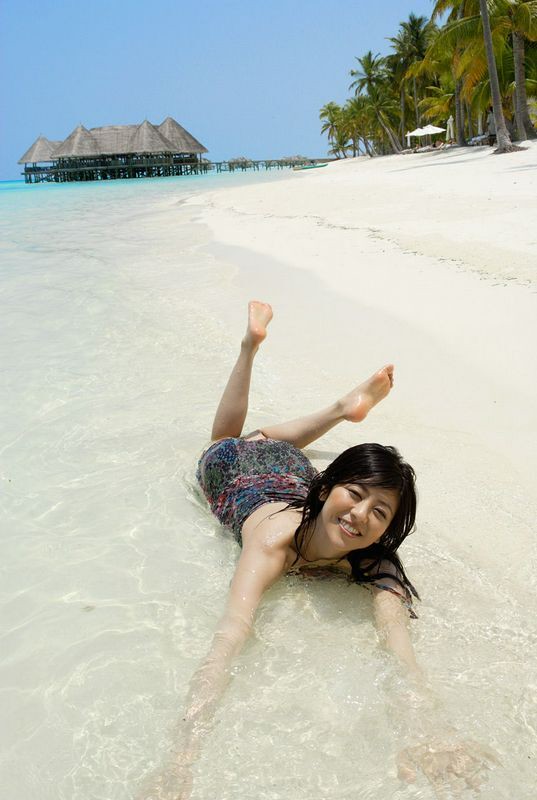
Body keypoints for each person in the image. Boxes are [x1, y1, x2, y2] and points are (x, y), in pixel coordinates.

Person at [143, 301, 498, 800]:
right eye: (355, 494)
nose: (361, 516)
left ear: (388, 528)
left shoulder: (374, 557)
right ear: (327, 488)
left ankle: (340, 407)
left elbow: (399, 646)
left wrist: (430, 731)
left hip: (291, 470)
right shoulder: (272, 545)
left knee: (271, 438)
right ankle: (254, 351)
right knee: (226, 438)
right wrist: (181, 761)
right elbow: (230, 638)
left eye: (380, 512)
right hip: (235, 472)